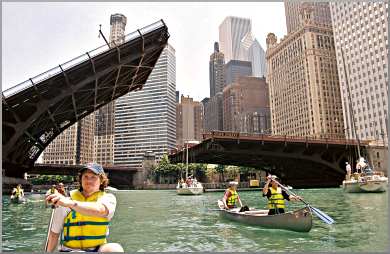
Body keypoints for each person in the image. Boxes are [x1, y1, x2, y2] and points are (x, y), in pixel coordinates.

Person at [45, 162, 124, 252]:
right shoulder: (66, 200)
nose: (89, 180)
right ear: (80, 179)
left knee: (115, 249)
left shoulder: (108, 198)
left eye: (93, 177)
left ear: (101, 180)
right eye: (85, 177)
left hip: (96, 250)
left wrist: (70, 203)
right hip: (69, 250)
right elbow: (54, 233)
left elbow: (101, 210)